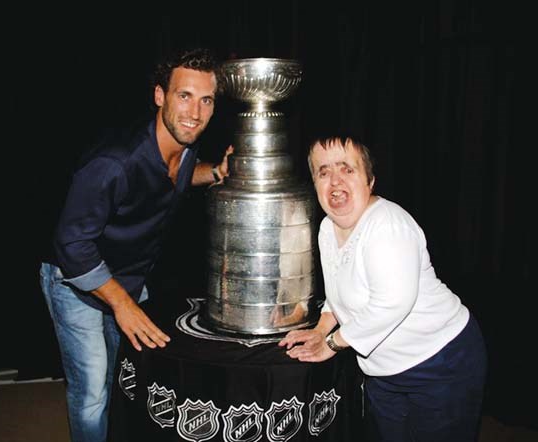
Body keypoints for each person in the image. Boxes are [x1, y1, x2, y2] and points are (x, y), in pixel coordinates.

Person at [39, 47, 233, 442]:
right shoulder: (114, 162)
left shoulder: (184, 145)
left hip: (128, 276)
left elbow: (176, 176)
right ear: (160, 96)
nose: (195, 112)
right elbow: (72, 245)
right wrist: (123, 304)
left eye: (206, 99)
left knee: (125, 377)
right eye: (184, 96)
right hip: (73, 280)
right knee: (93, 391)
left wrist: (214, 172)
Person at [278, 133, 487, 441]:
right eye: (323, 172)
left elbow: (393, 302)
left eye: (347, 169)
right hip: (383, 373)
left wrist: (332, 344)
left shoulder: (387, 224)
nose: (335, 181)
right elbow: (338, 293)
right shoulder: (327, 227)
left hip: (442, 362)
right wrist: (321, 329)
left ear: (369, 181)